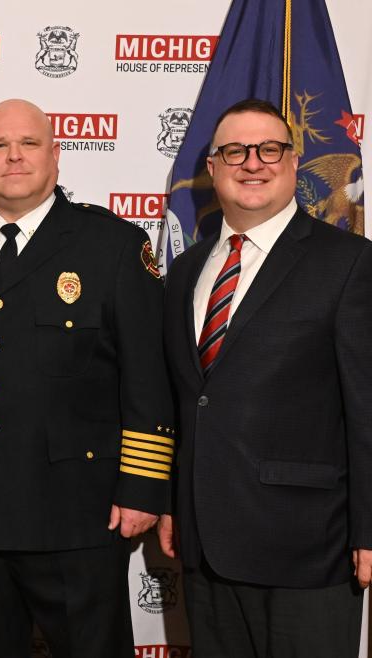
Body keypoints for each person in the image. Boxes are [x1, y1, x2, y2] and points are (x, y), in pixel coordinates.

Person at [0, 98, 175, 657]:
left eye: (29, 144)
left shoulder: (113, 246)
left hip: (79, 519)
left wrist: (142, 485)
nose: (14, 156)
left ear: (56, 156)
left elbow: (147, 375)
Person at [159, 98, 372, 657]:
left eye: (269, 149)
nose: (252, 163)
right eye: (234, 151)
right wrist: (170, 501)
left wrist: (369, 529)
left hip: (309, 547)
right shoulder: (185, 271)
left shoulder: (349, 263)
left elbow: (367, 408)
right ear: (212, 166)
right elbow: (185, 401)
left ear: (294, 160)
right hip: (206, 548)